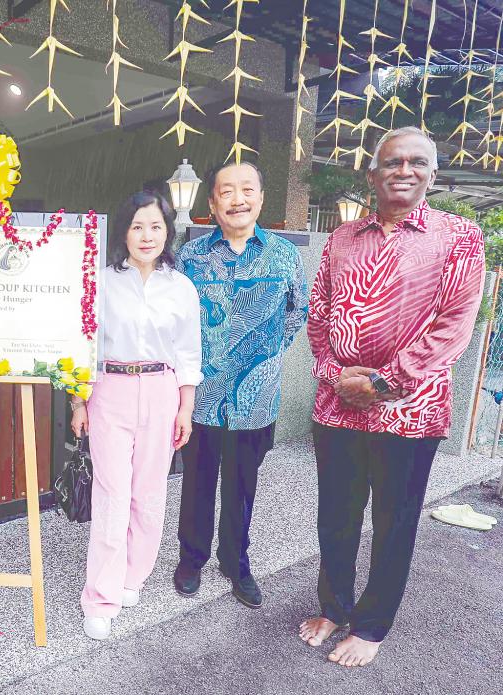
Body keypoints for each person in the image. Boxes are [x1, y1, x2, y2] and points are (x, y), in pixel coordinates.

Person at [299, 126, 485, 667]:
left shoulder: (458, 236)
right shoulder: (342, 239)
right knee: (335, 516)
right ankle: (333, 605)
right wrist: (337, 376)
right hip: (336, 408)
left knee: (393, 521)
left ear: (432, 173)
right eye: (393, 162)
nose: (404, 170)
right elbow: (319, 315)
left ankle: (372, 625)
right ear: (373, 174)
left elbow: (454, 325)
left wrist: (382, 383)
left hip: (410, 410)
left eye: (417, 162)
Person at [173, 161, 308, 608]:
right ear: (211, 203)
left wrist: (263, 356)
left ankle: (236, 562)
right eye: (226, 192)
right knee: (197, 482)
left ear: (261, 199)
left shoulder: (285, 255)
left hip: (256, 397)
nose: (237, 199)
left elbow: (296, 312)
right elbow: (175, 320)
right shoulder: (189, 258)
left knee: (242, 484)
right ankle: (191, 559)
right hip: (202, 397)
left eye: (246, 189)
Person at [72, 191, 202, 640]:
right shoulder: (102, 281)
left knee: (148, 495)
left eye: (155, 226)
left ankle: (133, 575)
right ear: (123, 232)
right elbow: (84, 346)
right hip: (111, 390)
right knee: (112, 494)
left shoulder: (181, 287)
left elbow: (188, 352)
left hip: (163, 391)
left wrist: (186, 406)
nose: (146, 236)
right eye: (136, 226)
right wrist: (78, 401)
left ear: (168, 231)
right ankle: (100, 597)